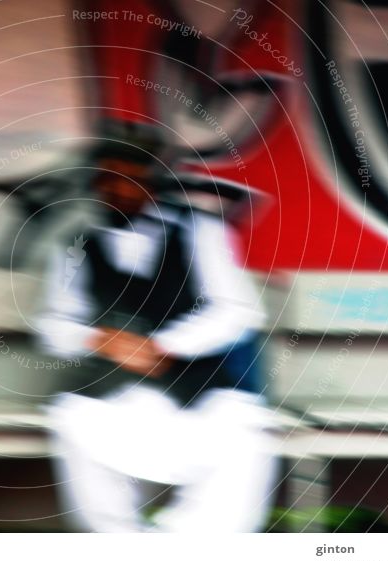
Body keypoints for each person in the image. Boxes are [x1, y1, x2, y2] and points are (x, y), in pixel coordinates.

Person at [35, 124, 277, 532]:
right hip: (115, 391)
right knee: (73, 423)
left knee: (245, 436)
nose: (116, 189)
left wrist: (163, 345)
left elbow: (238, 311)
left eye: (128, 178)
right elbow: (53, 325)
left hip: (196, 391)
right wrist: (97, 339)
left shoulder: (201, 231)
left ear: (152, 182)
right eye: (107, 178)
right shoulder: (77, 245)